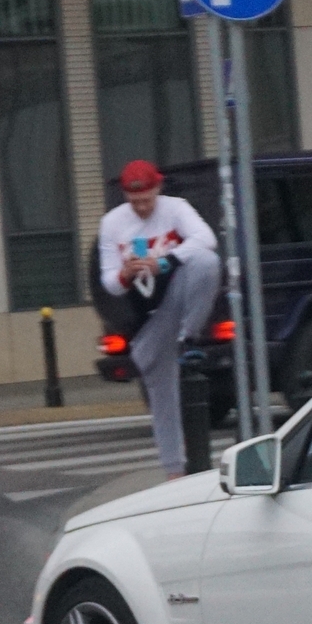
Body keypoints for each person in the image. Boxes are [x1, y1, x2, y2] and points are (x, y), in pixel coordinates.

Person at [97, 159, 223, 473]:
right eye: (134, 201)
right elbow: (108, 282)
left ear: (158, 188)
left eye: (147, 199)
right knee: (162, 394)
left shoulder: (175, 208)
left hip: (176, 295)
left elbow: (206, 239)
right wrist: (125, 274)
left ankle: (189, 337)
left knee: (206, 263)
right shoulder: (112, 223)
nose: (141, 207)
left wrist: (164, 262)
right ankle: (173, 472)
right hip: (145, 315)